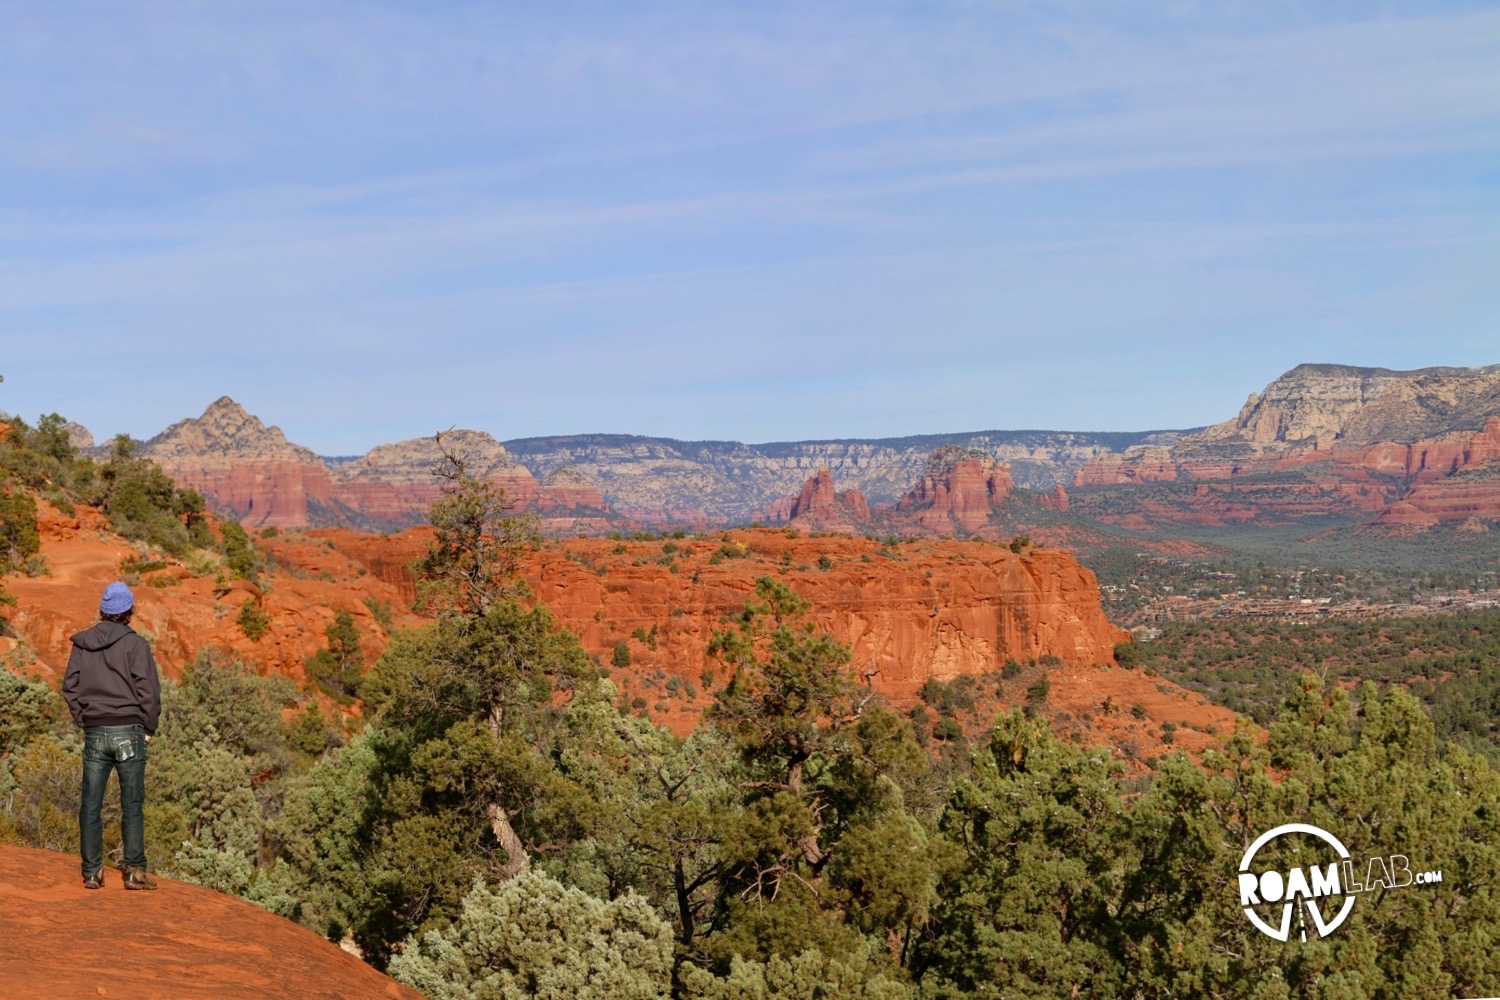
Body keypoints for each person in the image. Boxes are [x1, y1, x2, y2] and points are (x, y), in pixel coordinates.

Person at [62, 581, 161, 890]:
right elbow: (150, 692)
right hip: (130, 732)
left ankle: (92, 872)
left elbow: (70, 686)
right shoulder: (136, 645)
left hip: (95, 733)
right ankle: (134, 872)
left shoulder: (82, 644)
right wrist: (148, 728)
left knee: (90, 804)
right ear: (129, 611)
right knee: (132, 803)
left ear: (103, 611)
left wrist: (84, 719)